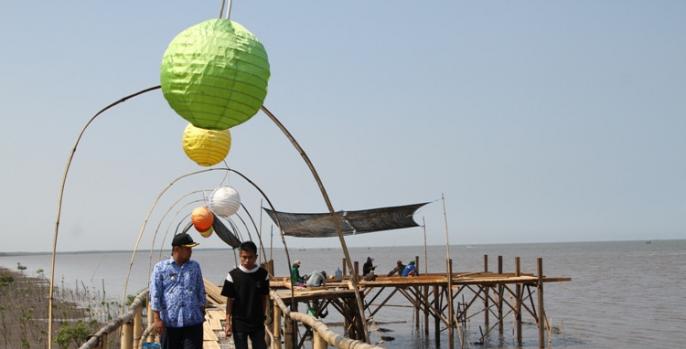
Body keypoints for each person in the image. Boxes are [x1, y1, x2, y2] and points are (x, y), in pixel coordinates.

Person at [149, 233, 206, 349]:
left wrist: (202, 310)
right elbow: (155, 294)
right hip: (170, 324)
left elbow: (200, 289)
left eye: (191, 248)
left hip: (193, 322)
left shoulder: (194, 267)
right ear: (176, 249)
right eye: (187, 248)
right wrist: (157, 319)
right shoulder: (161, 268)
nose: (190, 251)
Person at [222, 241, 269, 349]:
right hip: (239, 322)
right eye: (244, 257)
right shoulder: (232, 275)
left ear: (256, 257)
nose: (247, 260)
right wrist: (228, 322)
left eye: (250, 257)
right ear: (240, 256)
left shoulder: (263, 275)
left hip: (257, 321)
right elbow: (230, 300)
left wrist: (263, 316)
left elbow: (264, 297)